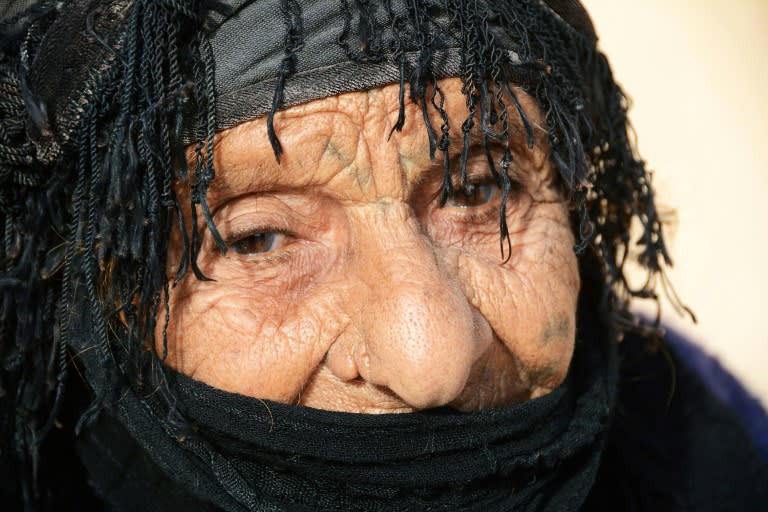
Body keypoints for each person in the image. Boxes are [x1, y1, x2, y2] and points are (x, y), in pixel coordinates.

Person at [0, 0, 766, 510]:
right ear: (77, 285)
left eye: (478, 189)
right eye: (258, 237)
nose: (432, 360)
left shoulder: (709, 450)